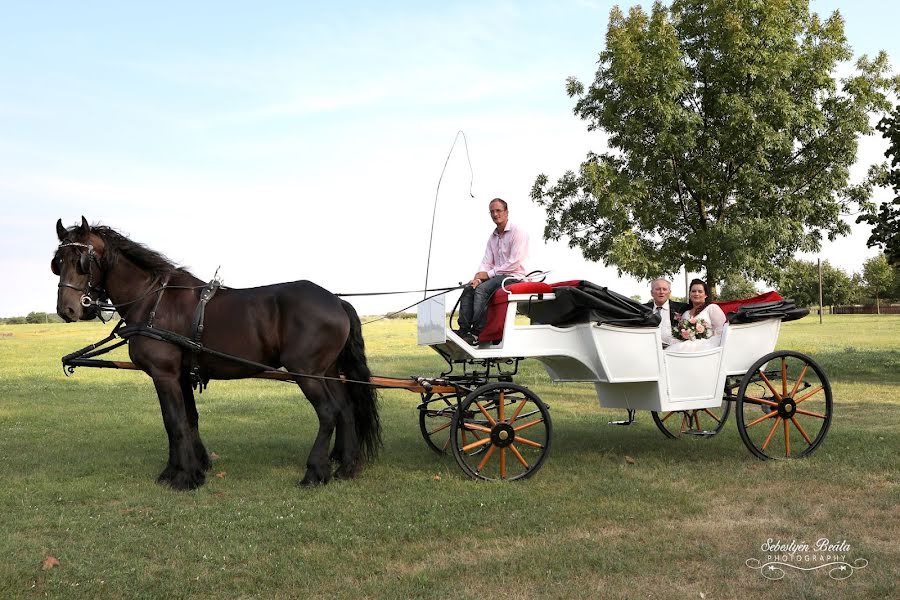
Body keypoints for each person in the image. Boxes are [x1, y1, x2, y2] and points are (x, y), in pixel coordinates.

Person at [456, 198, 530, 345]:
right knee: (469, 288)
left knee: (482, 290)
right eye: (492, 212)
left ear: (506, 212)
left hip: (514, 276)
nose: (495, 214)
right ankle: (463, 331)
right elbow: (486, 262)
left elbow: (514, 262)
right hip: (497, 276)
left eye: (498, 210)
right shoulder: (492, 237)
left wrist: (488, 275)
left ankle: (477, 333)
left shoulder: (518, 232)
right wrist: (477, 278)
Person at [665, 278, 727, 353]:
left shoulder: (712, 308)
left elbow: (722, 331)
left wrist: (704, 335)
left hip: (708, 347)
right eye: (693, 291)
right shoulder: (686, 313)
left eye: (700, 291)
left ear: (705, 295)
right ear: (690, 294)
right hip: (686, 347)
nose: (696, 294)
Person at [645, 278, 690, 348]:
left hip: (674, 350)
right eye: (658, 289)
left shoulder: (682, 308)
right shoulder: (643, 309)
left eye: (664, 289)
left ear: (669, 292)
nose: (661, 292)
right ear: (651, 293)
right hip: (649, 348)